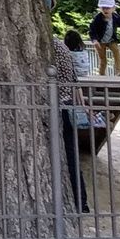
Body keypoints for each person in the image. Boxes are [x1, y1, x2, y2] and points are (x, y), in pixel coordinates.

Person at [53, 32, 91, 213]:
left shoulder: (52, 45)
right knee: (71, 155)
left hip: (59, 108)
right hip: (67, 105)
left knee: (69, 154)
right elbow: (75, 80)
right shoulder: (61, 47)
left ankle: (79, 200)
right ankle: (81, 200)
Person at [89, 0, 120, 75]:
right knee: (103, 60)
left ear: (113, 8)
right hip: (100, 41)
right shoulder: (97, 19)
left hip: (111, 40)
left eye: (108, 8)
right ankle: (102, 75)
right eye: (103, 8)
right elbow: (92, 30)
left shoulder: (116, 18)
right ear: (100, 8)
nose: (105, 10)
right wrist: (94, 40)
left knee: (117, 52)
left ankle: (119, 72)